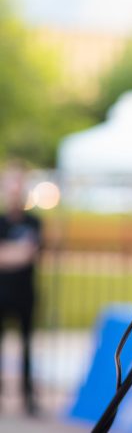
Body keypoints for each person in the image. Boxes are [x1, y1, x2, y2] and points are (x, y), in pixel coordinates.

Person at [0, 163, 42, 415]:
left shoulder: (34, 222)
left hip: (25, 293)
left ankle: (27, 394)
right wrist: (16, 253)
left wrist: (10, 253)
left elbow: (29, 253)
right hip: (2, 293)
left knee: (27, 345)